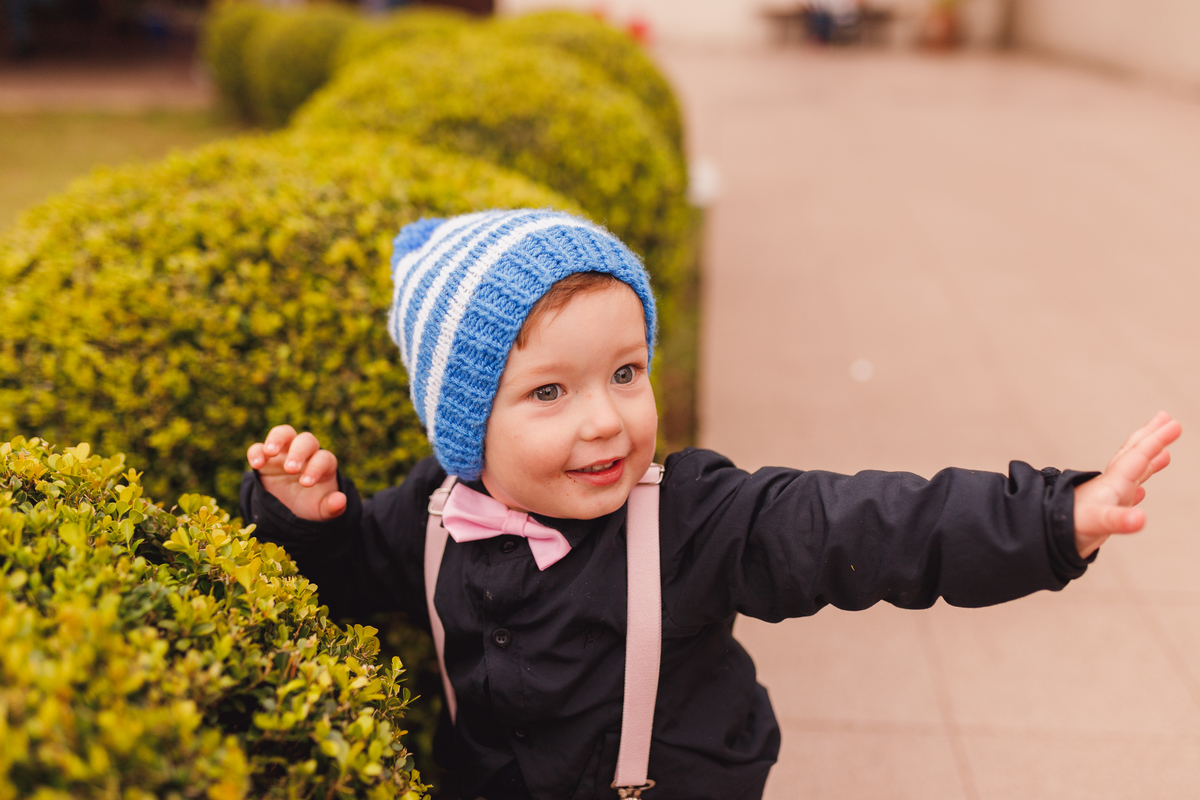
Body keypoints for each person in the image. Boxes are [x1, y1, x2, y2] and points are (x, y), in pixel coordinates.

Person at [241, 209, 1181, 800]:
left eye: (625, 373)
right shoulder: (434, 514)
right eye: (549, 394)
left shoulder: (692, 515)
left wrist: (1055, 519)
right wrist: (297, 517)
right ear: (464, 427)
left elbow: (862, 524)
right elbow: (348, 574)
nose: (606, 421)